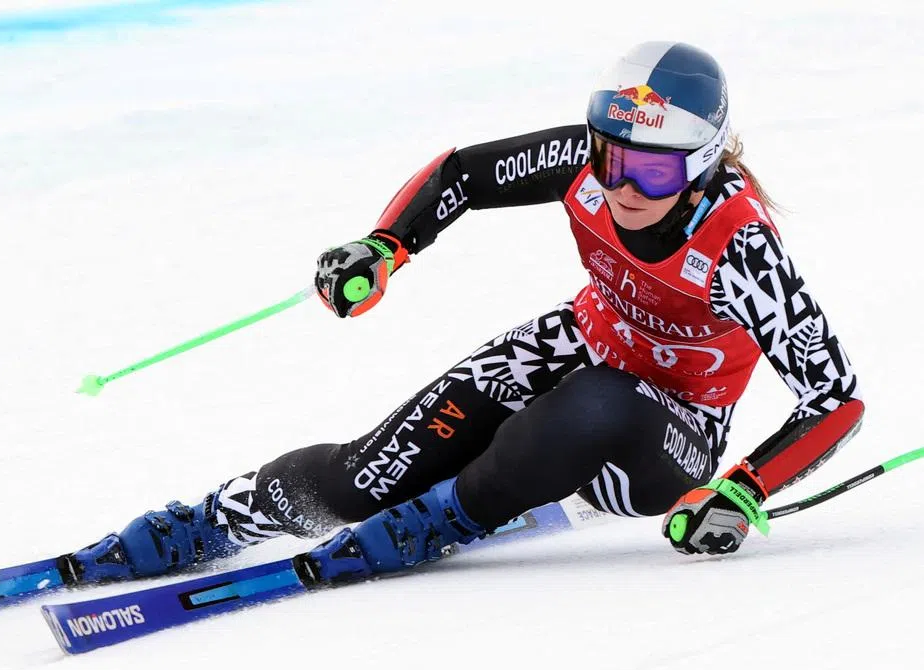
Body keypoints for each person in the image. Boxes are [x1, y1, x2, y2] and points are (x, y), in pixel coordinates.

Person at [62, 40, 863, 585]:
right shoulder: (584, 162)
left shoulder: (739, 246)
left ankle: (444, 517)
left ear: (699, 164)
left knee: (593, 405)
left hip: (667, 438)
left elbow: (837, 399)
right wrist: (385, 247)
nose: (623, 188)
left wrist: (744, 490)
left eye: (653, 175)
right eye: (611, 156)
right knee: (364, 475)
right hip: (583, 341)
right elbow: (461, 175)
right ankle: (207, 522)